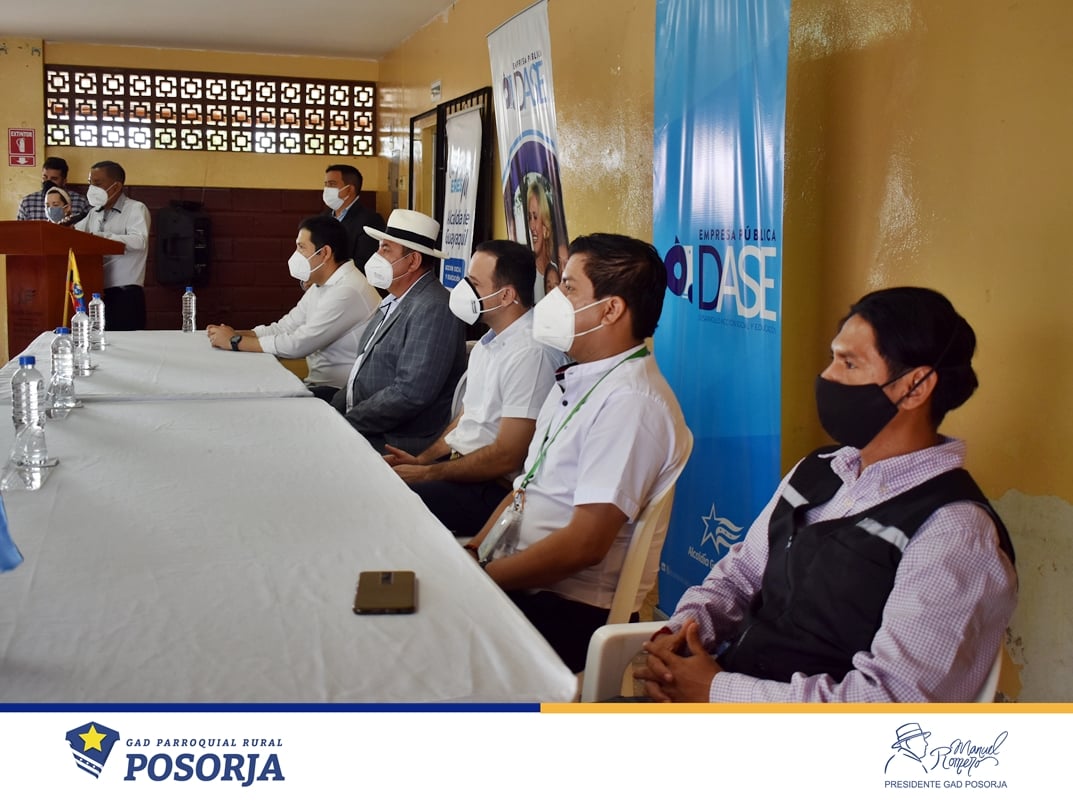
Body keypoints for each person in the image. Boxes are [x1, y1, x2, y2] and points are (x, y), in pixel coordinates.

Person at [636, 287, 1018, 703]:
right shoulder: (818, 469)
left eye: (849, 364)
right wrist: (683, 631)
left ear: (915, 387)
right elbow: (742, 575)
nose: (827, 377)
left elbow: (890, 704)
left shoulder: (955, 534)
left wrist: (717, 691)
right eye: (833, 358)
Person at [465, 233, 691, 672]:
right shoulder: (581, 377)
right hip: (522, 577)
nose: (553, 298)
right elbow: (524, 489)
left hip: (570, 609)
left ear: (610, 310)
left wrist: (482, 580)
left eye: (568, 288)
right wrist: (474, 552)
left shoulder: (632, 403)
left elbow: (584, 545)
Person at [384, 240, 563, 535]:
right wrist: (421, 460)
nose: (463, 289)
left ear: (506, 295)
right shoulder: (487, 342)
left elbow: (507, 455)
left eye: (474, 283)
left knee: (388, 501)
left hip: (490, 489)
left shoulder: (531, 353)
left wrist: (427, 474)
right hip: (459, 469)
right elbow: (466, 419)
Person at [331, 209, 467, 455]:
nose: (376, 256)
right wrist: (333, 411)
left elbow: (410, 394)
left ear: (413, 261)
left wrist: (347, 422)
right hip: (368, 423)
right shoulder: (395, 299)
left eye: (385, 249)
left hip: (398, 439)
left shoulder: (434, 308)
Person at [205, 216, 380, 398]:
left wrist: (235, 342)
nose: (296, 254)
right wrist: (236, 334)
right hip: (319, 384)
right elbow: (285, 327)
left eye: (301, 247)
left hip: (341, 392)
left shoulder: (348, 289)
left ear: (325, 253)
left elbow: (299, 344)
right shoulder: (323, 283)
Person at [74, 161, 151, 331]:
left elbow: (139, 241)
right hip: (95, 293)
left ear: (116, 186)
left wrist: (101, 238)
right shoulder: (93, 213)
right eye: (90, 183)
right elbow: (77, 236)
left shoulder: (135, 208)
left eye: (97, 184)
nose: (92, 189)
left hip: (125, 294)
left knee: (126, 343)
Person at [322, 163, 385, 273]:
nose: (327, 189)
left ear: (349, 189)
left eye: (332, 184)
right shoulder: (324, 217)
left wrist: (327, 274)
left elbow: (364, 264)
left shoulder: (370, 221)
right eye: (326, 184)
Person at [526, 176, 567, 298]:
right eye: (529, 217)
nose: (531, 226)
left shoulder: (559, 267)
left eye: (535, 217)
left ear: (545, 225)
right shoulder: (526, 273)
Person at [16, 156, 90, 224]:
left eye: (54, 179)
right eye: (45, 177)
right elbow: (20, 230)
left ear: (64, 181)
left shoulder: (81, 202)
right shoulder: (27, 203)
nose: (48, 182)